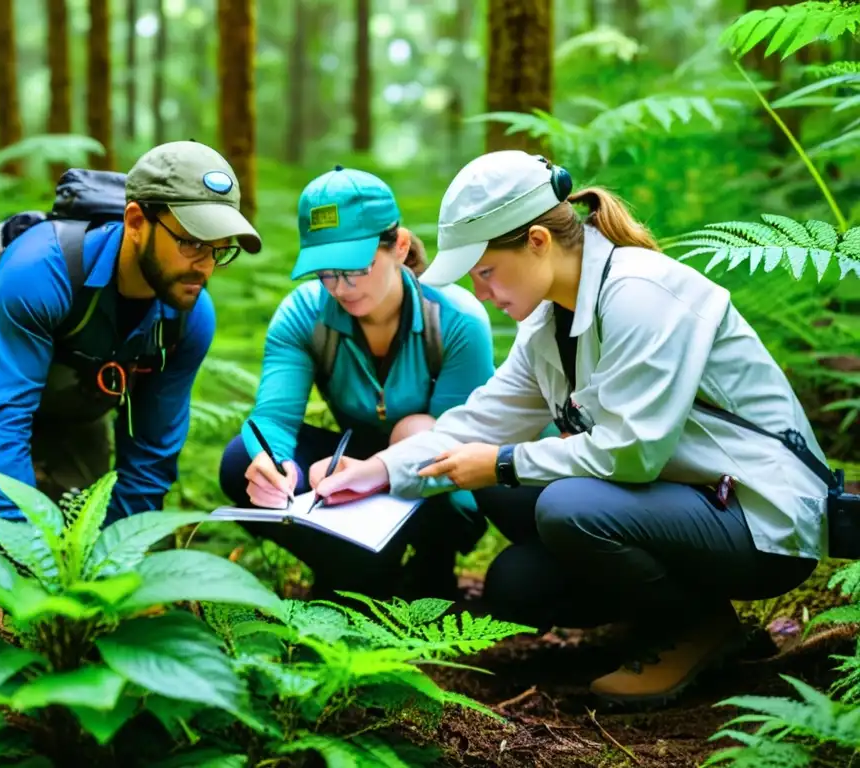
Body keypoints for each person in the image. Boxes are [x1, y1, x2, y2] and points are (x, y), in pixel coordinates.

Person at [311, 150, 826, 705]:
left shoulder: (639, 294)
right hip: (686, 502)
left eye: (485, 271)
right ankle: (650, 618)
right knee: (515, 579)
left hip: (759, 516)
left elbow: (633, 453)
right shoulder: (547, 324)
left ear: (537, 241)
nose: (480, 293)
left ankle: (698, 628)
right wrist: (378, 470)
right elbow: (480, 422)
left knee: (560, 504)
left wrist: (505, 464)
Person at [0, 141, 261, 537]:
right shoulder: (41, 271)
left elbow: (149, 458)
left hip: (73, 416)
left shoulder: (189, 318)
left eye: (220, 250)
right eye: (191, 242)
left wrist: (118, 557)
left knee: (78, 528)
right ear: (135, 222)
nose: (204, 266)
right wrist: (17, 552)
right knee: (3, 524)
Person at [218, 165, 496, 600]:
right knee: (239, 460)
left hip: (439, 485)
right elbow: (273, 417)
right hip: (348, 466)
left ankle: (428, 573)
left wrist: (378, 473)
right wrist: (274, 463)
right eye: (325, 273)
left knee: (418, 431)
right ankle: (360, 574)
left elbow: (463, 442)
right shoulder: (304, 315)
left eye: (355, 268)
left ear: (400, 247)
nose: (341, 288)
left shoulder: (456, 320)